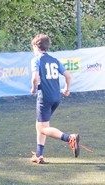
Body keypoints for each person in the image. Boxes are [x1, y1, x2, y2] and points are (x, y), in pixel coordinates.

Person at [30, 34, 79, 164]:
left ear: (36, 46)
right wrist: (66, 90)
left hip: (44, 97)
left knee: (42, 128)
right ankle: (39, 155)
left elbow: (35, 79)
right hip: (56, 97)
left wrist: (34, 89)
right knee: (41, 125)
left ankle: (69, 138)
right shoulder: (55, 60)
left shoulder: (36, 60)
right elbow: (69, 77)